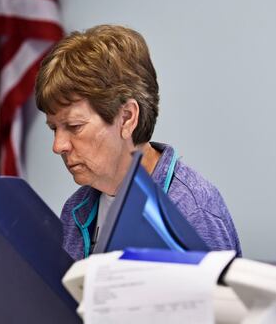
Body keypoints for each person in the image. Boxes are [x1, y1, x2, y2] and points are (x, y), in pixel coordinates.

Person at [34, 24, 241, 260]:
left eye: (74, 127)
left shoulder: (193, 212)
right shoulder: (75, 210)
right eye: (54, 128)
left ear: (127, 118)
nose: (58, 145)